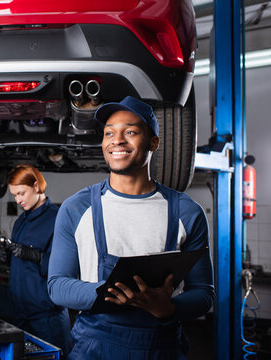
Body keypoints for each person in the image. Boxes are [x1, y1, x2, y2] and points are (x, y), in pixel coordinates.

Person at [47, 96, 215, 359]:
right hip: (95, 346)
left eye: (130, 132)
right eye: (109, 133)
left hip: (161, 347)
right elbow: (57, 286)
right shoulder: (76, 208)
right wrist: (108, 292)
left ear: (153, 142)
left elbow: (205, 294)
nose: (117, 140)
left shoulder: (186, 211)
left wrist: (168, 308)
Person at [1, 164, 71, 355]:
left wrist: (38, 256)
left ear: (36, 185)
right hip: (20, 315)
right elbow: (21, 266)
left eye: (21, 193)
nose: (17, 200)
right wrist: (8, 258)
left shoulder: (58, 219)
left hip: (47, 318)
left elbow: (68, 269)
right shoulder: (20, 222)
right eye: (14, 195)